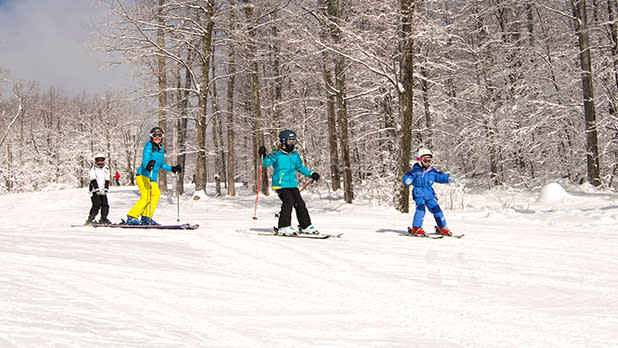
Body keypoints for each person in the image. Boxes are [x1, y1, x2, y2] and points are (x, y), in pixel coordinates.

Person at [258, 129, 320, 236]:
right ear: (283, 141)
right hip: (280, 184)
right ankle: (283, 227)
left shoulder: (295, 155)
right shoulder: (277, 153)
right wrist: (262, 155)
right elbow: (265, 163)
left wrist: (311, 173)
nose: (292, 143)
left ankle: (305, 226)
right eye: (289, 141)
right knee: (288, 201)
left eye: (293, 141)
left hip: (292, 183)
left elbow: (300, 167)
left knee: (299, 203)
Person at [126, 127, 181, 225]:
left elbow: (161, 164)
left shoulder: (161, 149)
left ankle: (146, 217)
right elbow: (146, 159)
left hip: (152, 178)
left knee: (156, 195)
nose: (157, 137)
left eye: (159, 135)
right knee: (146, 196)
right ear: (151, 136)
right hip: (143, 175)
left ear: (162, 137)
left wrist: (172, 168)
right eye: (155, 135)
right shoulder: (149, 145)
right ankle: (132, 217)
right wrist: (148, 165)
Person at [402, 148, 456, 236]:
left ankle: (441, 227)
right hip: (418, 193)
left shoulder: (431, 171)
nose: (427, 163)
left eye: (429, 161)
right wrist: (407, 180)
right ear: (419, 160)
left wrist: (448, 178)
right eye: (425, 160)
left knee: (437, 210)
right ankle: (416, 228)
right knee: (421, 210)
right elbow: (408, 176)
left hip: (429, 194)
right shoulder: (416, 171)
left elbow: (439, 176)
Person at [86, 153, 112, 225]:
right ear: (96, 161)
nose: (100, 162)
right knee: (96, 205)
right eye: (98, 161)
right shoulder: (93, 169)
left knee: (105, 205)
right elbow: (93, 179)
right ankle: (91, 219)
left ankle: (103, 219)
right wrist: (96, 188)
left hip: (103, 190)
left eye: (101, 161)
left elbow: (107, 179)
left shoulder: (106, 168)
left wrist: (106, 188)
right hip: (95, 191)